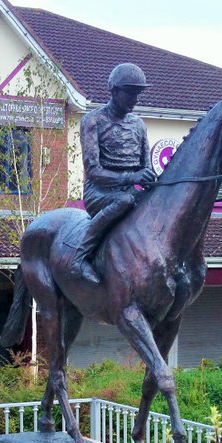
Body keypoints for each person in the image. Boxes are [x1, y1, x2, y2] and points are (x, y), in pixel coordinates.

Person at [74, 62, 157, 284]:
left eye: (137, 93)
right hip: (99, 193)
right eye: (130, 93)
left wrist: (150, 179)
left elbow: (146, 165)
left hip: (130, 191)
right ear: (114, 90)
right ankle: (81, 256)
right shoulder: (93, 121)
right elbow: (93, 171)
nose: (135, 99)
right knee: (125, 200)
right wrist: (132, 178)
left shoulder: (139, 125)